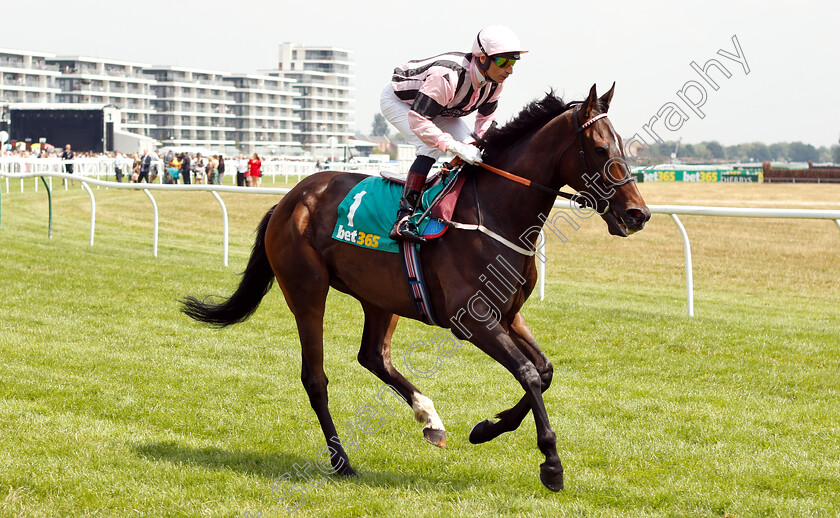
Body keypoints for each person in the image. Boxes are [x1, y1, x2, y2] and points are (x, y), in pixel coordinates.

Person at [381, 24, 526, 243]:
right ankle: (404, 219)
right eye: (504, 62)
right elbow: (418, 119)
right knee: (430, 146)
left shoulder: (494, 84)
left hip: (441, 109)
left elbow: (485, 122)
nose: (510, 70)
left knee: (473, 148)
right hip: (401, 103)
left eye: (513, 62)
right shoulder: (448, 76)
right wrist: (449, 144)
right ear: (482, 58)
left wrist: (483, 145)